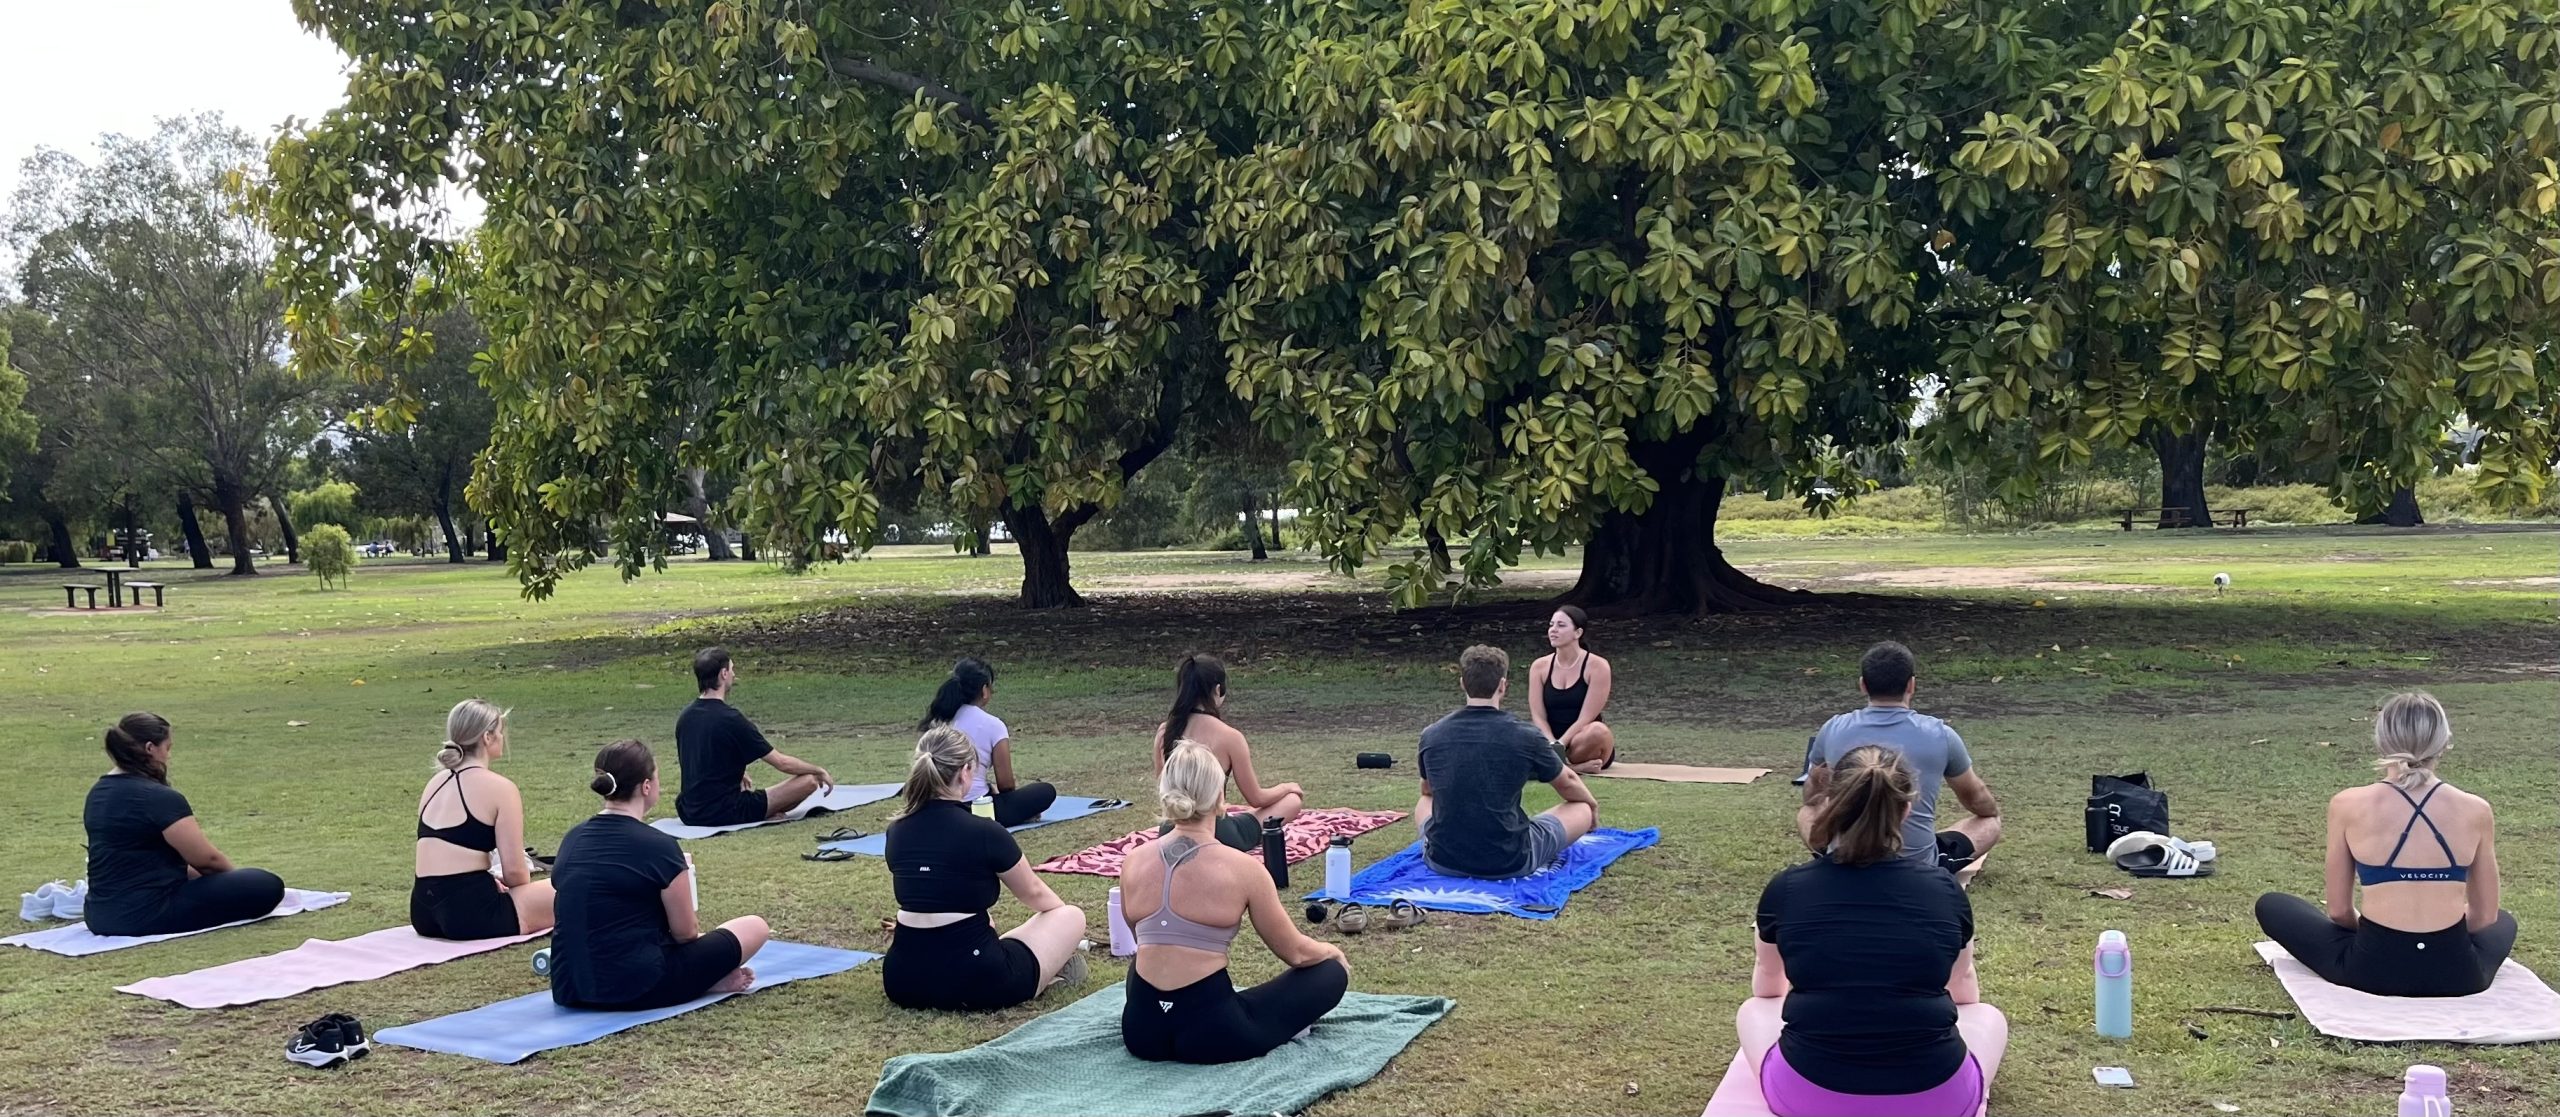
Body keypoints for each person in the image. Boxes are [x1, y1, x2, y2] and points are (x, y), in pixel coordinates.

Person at [1741, 745, 2006, 1117]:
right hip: (1938, 1100)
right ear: (1907, 809)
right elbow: (1963, 988)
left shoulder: (1787, 888)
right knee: (1988, 1017)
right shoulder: (1943, 890)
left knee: (1753, 1009)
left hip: (1809, 1098)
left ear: (1832, 802)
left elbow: (1768, 984)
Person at [2255, 692, 2514, 997]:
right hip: (2459, 976)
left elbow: (2339, 912)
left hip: (2372, 970)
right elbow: (2485, 917)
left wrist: (2377, 937)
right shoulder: (2476, 809)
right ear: (2443, 742)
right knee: (2504, 921)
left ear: (2382, 741)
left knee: (2271, 904)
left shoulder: (2348, 804)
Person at [1121, 741, 1348, 1064]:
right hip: (1213, 1034)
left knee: (1149, 953)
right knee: (1329, 973)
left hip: (1141, 1031)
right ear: (1219, 798)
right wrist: (1332, 952)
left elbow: (1137, 941)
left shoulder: (1133, 861)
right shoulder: (1243, 869)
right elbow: (1296, 952)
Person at [551, 740, 771, 1010]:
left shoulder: (573, 838)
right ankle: (702, 981)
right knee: (755, 926)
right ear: (646, 786)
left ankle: (702, 980)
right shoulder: (658, 845)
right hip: (639, 986)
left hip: (569, 986)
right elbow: (685, 934)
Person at [881, 727, 1089, 1010]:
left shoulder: (896, 831)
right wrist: (1062, 935)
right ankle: (1053, 968)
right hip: (978, 979)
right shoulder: (985, 832)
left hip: (903, 979)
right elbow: (1036, 894)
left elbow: (930, 893)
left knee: (980, 919)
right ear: (966, 772)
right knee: (1070, 916)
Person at [1798, 641, 2001, 873]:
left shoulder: (1832, 728)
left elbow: (1811, 796)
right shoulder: (1940, 734)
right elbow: (1976, 798)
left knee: (1807, 811)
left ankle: (1833, 854)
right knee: (1989, 823)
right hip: (1917, 865)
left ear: (1863, 685)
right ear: (1911, 685)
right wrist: (1992, 811)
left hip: (1845, 855)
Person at [81, 713, 286, 937]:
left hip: (99, 915)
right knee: (264, 884)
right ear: (150, 748)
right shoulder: (158, 797)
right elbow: (208, 861)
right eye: (167, 748)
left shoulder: (98, 793)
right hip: (144, 913)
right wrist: (233, 882)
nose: (168, 757)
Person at [1414, 645, 1600, 879]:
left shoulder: (1432, 734)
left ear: (1463, 683)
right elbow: (1568, 782)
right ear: (1503, 686)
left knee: (1425, 800)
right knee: (1580, 807)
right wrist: (1592, 806)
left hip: (1443, 860)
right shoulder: (1526, 736)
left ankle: (1439, 841)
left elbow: (1427, 789)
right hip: (1510, 859)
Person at [412, 699, 556, 939]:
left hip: (422, 910)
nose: (502, 738)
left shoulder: (435, 783)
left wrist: (486, 881)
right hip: (470, 914)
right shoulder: (500, 788)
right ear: (487, 737)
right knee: (575, 887)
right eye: (500, 732)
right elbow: (516, 874)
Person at [1150, 654, 1303, 851]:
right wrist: (1286, 787)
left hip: (1171, 830)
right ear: (1218, 689)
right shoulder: (1229, 737)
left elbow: (1164, 789)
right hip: (1219, 833)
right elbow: (1257, 798)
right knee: (1292, 801)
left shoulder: (1165, 731)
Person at [673, 646, 832, 826]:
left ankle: (765, 810)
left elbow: (702, 758)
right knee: (809, 781)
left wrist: (737, 773)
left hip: (689, 811)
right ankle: (765, 813)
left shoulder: (685, 716)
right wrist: (818, 770)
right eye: (732, 669)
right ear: (723, 674)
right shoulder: (731, 719)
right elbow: (781, 762)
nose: (733, 675)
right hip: (724, 812)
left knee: (743, 785)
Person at [919, 657, 1058, 827]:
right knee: (1044, 791)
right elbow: (1006, 785)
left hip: (934, 809)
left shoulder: (937, 721)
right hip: (977, 809)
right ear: (985, 690)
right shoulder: (993, 724)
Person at [1529, 606, 1616, 772]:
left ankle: (1564, 765)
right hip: (1549, 740)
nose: (1553, 630)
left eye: (1561, 626)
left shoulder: (1598, 666)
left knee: (1599, 731)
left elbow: (1586, 717)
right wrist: (1551, 743)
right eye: (1551, 625)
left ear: (1578, 633)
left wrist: (1561, 743)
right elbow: (1538, 716)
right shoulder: (1539, 666)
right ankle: (1575, 768)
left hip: (1583, 742)